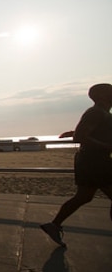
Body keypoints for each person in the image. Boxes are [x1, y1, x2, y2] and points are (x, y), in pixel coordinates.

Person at [41, 83, 112, 247]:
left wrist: (75, 132)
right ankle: (54, 224)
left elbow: (88, 132)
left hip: (94, 160)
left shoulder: (102, 113)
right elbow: (81, 136)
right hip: (94, 161)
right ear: (101, 96)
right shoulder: (96, 112)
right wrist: (107, 146)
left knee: (84, 196)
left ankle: (54, 224)